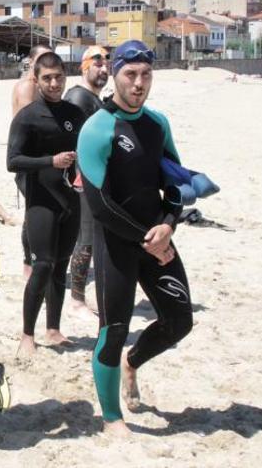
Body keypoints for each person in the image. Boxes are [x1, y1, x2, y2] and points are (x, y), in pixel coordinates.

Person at [77, 40, 194, 438]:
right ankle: (112, 418)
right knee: (112, 333)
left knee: (180, 322)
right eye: (130, 74)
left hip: (157, 238)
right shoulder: (98, 128)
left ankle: (133, 364)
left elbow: (177, 185)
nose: (139, 83)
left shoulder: (157, 124)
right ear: (114, 75)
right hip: (118, 244)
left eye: (145, 75)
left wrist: (169, 224)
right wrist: (151, 238)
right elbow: (99, 205)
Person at [7, 52, 86, 354]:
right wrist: (50, 161)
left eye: (59, 77)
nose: (54, 84)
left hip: (70, 199)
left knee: (60, 266)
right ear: (36, 79)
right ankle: (28, 334)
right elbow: (12, 161)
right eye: (47, 78)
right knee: (42, 265)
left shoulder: (75, 114)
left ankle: (53, 329)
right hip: (42, 200)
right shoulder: (28, 117)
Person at [63, 45, 110, 319]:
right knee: (86, 239)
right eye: (97, 63)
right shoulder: (78, 98)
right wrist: (75, 176)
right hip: (82, 181)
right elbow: (67, 137)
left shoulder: (94, 99)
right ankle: (76, 300)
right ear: (84, 67)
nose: (103, 68)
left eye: (106, 64)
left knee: (91, 239)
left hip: (95, 179)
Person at [11, 44, 52, 280]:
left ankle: (35, 261)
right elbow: (31, 122)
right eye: (43, 58)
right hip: (29, 159)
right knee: (34, 213)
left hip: (37, 159)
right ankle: (29, 264)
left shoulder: (38, 86)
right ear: (31, 62)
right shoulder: (28, 86)